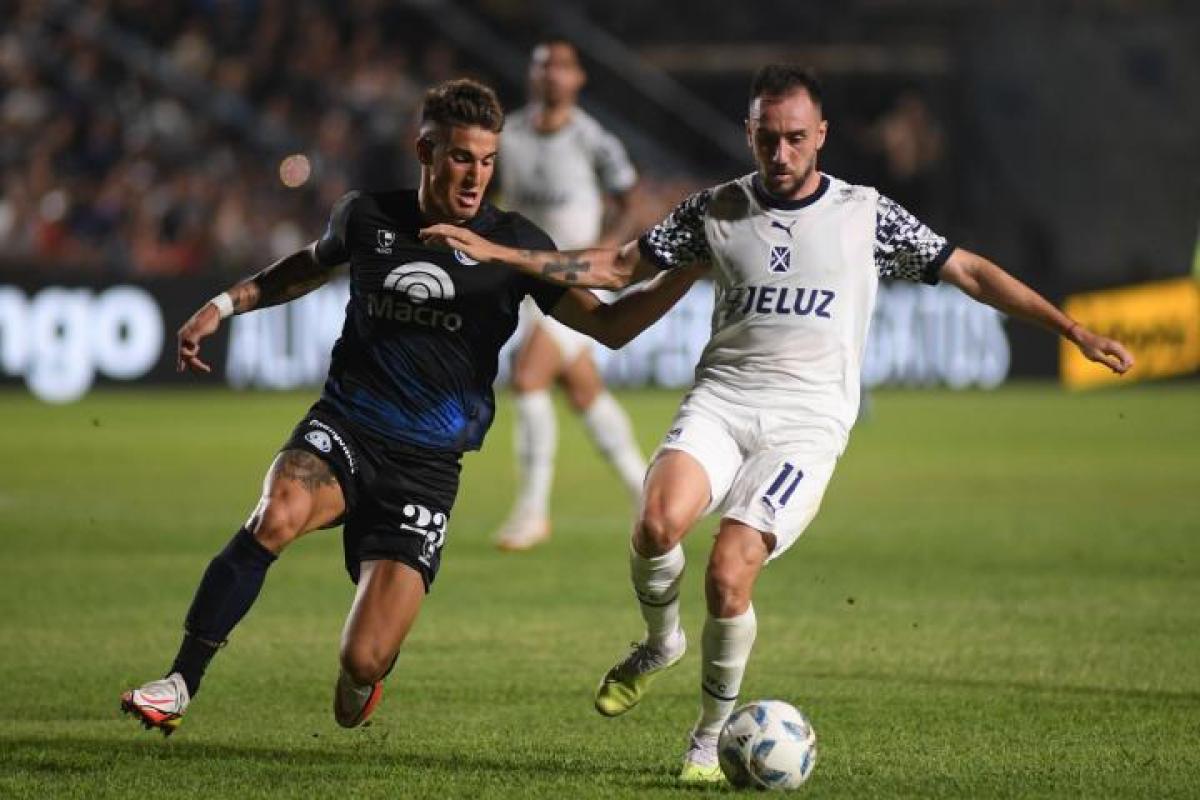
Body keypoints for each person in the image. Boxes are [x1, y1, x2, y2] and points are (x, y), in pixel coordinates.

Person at [419, 65, 1134, 783]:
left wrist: (1072, 329)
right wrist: (506, 254)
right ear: (749, 134)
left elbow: (970, 271)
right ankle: (660, 641)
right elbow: (616, 266)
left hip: (806, 425)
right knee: (655, 524)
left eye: (796, 138)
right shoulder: (715, 209)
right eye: (768, 138)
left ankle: (706, 737)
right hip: (723, 402)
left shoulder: (865, 214)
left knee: (729, 571)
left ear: (821, 135)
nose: (782, 154)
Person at [119, 78, 702, 737]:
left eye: (487, 161)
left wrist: (684, 271)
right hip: (346, 427)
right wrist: (221, 306)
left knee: (364, 658)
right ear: (425, 150)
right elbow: (307, 267)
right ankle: (179, 682)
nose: (476, 176)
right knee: (275, 513)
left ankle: (363, 675)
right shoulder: (368, 217)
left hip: (425, 468)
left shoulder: (511, 243)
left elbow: (611, 327)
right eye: (460, 157)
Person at [492, 38, 646, 551]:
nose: (551, 75)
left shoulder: (592, 139)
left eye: (561, 67)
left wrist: (605, 248)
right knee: (583, 390)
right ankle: (645, 489)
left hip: (569, 281)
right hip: (520, 282)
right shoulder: (508, 135)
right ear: (531, 76)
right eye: (542, 67)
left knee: (528, 376)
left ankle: (533, 511)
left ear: (578, 78)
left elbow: (630, 199)